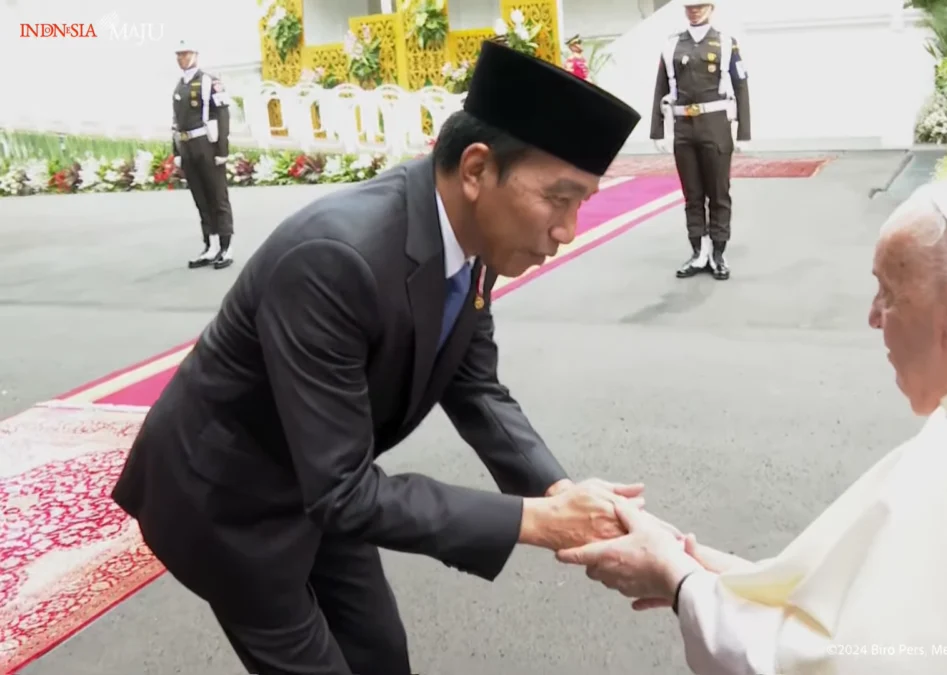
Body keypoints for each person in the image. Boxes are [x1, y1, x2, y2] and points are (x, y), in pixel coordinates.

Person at [112, 41, 644, 675]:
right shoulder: (336, 258)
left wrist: (557, 490)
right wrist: (536, 520)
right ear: (476, 169)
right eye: (559, 199)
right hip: (229, 502)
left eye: (581, 202)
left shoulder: (474, 239)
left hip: (328, 477)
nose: (568, 229)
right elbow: (341, 492)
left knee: (380, 655)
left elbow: (476, 388)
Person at [558, 175, 947, 674]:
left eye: (889, 294)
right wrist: (711, 569)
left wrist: (678, 582)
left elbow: (830, 662)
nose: (872, 317)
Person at [649, 0, 751, 281]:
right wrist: (657, 130)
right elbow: (661, 87)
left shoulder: (726, 43)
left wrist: (744, 131)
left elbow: (741, 85)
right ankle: (698, 252)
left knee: (718, 194)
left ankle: (718, 253)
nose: (694, 10)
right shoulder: (672, 45)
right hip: (684, 128)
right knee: (692, 195)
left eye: (699, 5)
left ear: (711, 7)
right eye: (689, 7)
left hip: (715, 127)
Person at [171, 39, 235, 270]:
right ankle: (210, 245)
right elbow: (176, 121)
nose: (182, 58)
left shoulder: (209, 81)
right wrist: (176, 150)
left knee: (217, 196)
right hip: (188, 146)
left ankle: (226, 246)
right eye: (179, 55)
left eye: (186, 54)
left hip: (206, 144)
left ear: (196, 55)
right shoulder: (180, 85)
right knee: (201, 199)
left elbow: (223, 115)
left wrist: (222, 150)